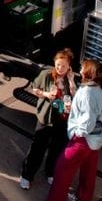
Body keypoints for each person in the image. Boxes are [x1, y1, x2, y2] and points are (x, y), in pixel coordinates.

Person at [38, 59, 102, 201]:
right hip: (96, 139)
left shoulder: (88, 93)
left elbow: (88, 119)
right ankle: (84, 198)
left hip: (83, 139)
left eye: (83, 67)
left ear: (88, 72)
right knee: (89, 169)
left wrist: (78, 132)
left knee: (62, 167)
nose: (81, 68)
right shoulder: (99, 88)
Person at [20, 48, 78, 190]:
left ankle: (50, 171)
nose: (60, 68)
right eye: (58, 65)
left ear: (69, 66)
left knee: (57, 148)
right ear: (54, 63)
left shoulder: (70, 78)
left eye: (64, 66)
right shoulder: (46, 74)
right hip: (46, 117)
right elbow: (34, 88)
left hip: (62, 118)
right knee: (38, 147)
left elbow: (75, 95)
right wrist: (46, 94)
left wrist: (71, 80)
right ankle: (27, 175)